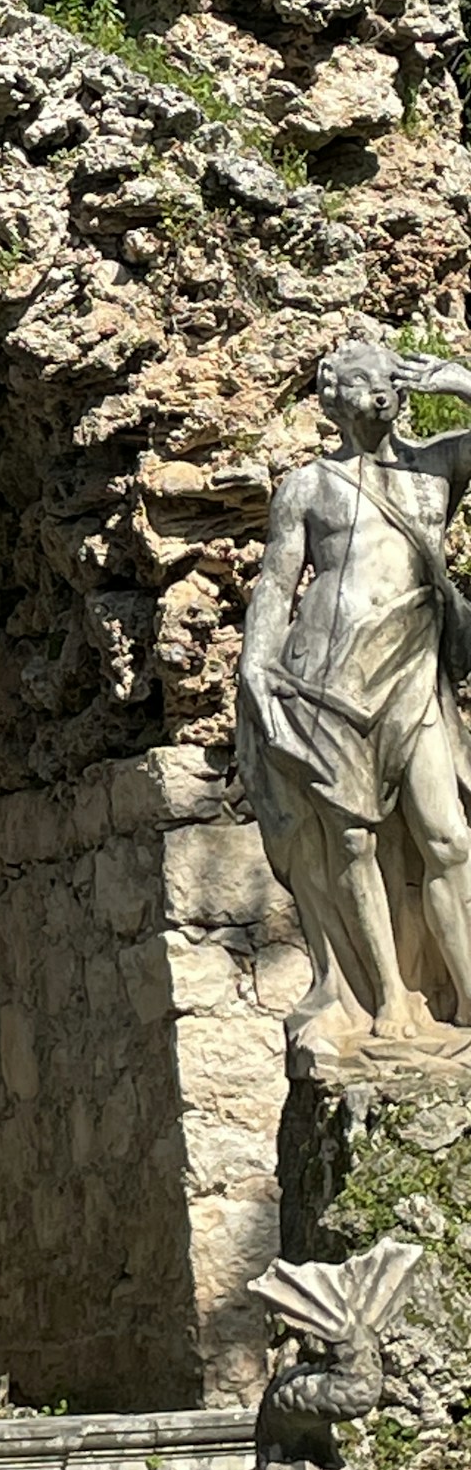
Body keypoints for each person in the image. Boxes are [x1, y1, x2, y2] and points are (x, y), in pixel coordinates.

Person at [238, 338, 471, 1061]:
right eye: (363, 380)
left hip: (411, 669)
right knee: (352, 841)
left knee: (449, 839)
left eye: (389, 378)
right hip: (327, 677)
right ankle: (389, 996)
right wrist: (254, 663)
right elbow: (278, 585)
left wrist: (461, 383)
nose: (381, 391)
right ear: (334, 398)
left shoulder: (437, 463)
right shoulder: (309, 486)